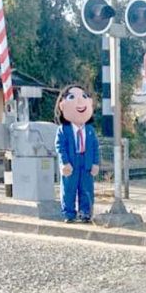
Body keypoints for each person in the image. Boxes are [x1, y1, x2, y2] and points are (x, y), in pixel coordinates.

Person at [54, 84, 100, 223]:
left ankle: (85, 212)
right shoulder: (64, 129)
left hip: (86, 161)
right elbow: (60, 146)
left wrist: (95, 163)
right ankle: (69, 214)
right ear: (62, 105)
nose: (80, 102)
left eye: (84, 97)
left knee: (86, 188)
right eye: (72, 97)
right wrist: (64, 162)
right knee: (69, 189)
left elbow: (95, 147)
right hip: (71, 162)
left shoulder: (90, 130)